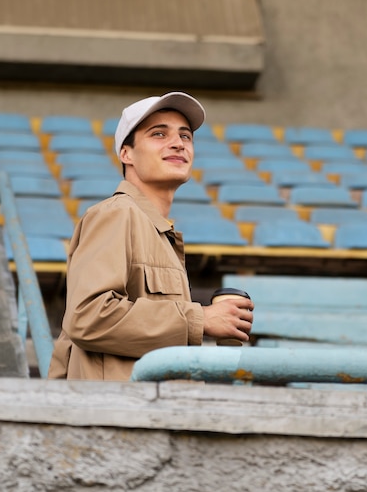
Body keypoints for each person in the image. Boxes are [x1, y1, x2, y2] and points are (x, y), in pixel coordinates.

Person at [48, 91, 254, 380]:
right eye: (158, 134)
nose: (178, 144)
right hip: (114, 414)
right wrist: (200, 319)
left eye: (186, 136)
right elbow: (88, 317)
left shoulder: (157, 231)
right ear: (126, 153)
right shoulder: (116, 214)